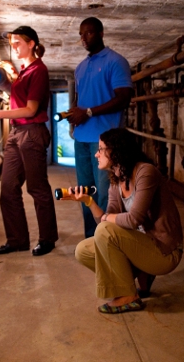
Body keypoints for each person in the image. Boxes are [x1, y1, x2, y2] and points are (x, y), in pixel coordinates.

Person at [61, 128, 183, 314]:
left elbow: (134, 219)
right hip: (140, 245)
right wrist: (88, 201)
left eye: (101, 149)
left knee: (105, 231)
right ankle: (140, 275)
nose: (96, 153)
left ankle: (128, 296)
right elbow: (108, 218)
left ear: (116, 151)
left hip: (164, 251)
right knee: (83, 251)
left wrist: (106, 219)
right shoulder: (117, 180)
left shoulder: (145, 172)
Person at [0, 26, 58, 256]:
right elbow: (21, 97)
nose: (13, 47)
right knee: (7, 189)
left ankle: (47, 239)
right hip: (16, 134)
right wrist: (13, 74)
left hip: (32, 133)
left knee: (37, 188)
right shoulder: (25, 71)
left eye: (18, 43)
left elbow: (31, 109)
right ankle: (17, 240)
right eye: (12, 43)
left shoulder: (39, 71)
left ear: (32, 43)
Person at [67, 17, 133, 239]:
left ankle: (109, 239)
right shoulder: (80, 67)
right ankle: (91, 239)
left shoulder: (116, 62)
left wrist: (87, 112)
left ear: (101, 33)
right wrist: (73, 113)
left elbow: (124, 98)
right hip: (82, 139)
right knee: (85, 191)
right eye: (81, 34)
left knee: (106, 193)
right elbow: (80, 100)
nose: (84, 38)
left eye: (89, 33)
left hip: (105, 139)